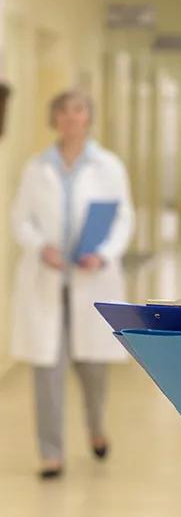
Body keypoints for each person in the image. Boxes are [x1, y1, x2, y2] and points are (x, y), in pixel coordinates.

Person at [11, 90, 134, 479]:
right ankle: (51, 453)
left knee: (92, 369)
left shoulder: (108, 166)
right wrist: (39, 247)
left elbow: (123, 219)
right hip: (48, 282)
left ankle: (96, 429)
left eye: (78, 110)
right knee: (47, 371)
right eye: (62, 111)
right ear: (54, 119)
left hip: (91, 279)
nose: (70, 118)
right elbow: (20, 218)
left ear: (88, 118)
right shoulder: (37, 167)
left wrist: (104, 253)